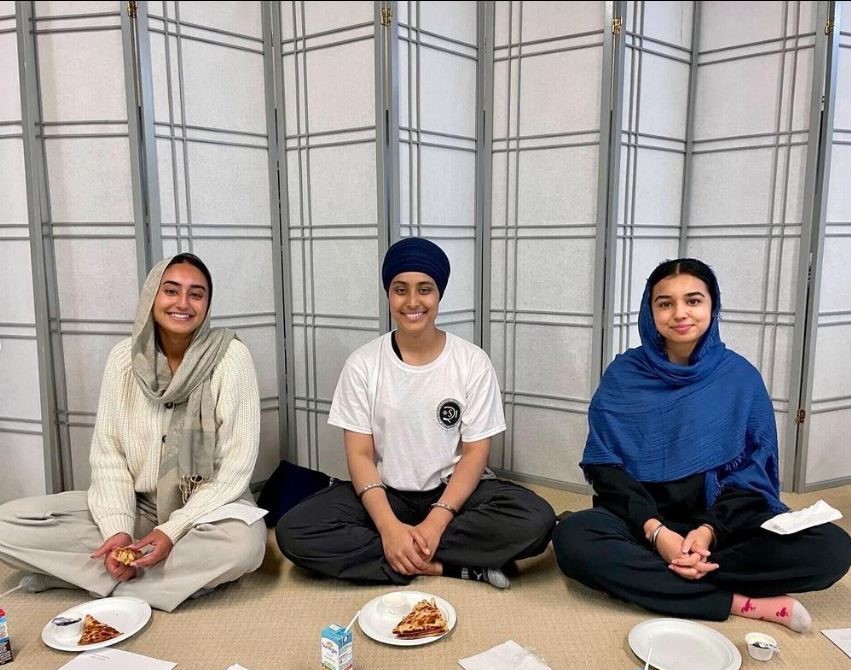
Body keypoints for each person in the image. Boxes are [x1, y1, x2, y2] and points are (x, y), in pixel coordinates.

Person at [553, 258, 851, 631]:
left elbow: (752, 474)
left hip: (722, 526)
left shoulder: (740, 377)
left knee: (831, 548)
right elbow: (605, 469)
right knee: (573, 538)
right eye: (665, 303)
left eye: (693, 301)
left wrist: (708, 531)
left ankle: (669, 577)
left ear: (712, 306)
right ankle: (740, 602)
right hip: (643, 523)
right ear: (650, 311)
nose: (680, 313)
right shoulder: (623, 375)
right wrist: (657, 532)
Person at [276, 237, 555, 588]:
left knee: (537, 519)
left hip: (453, 493)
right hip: (385, 493)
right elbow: (360, 455)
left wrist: (437, 520)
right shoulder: (363, 364)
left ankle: (404, 557)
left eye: (424, 289)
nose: (412, 302)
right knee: (294, 532)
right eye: (400, 290)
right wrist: (389, 527)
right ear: (388, 294)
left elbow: (475, 454)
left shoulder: (472, 362)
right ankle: (452, 566)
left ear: (439, 294)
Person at [0, 253, 266, 611]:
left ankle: (93, 580)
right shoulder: (123, 359)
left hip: (208, 508)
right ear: (151, 297)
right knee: (7, 525)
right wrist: (118, 530)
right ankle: (159, 580)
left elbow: (234, 469)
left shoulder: (230, 358)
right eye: (171, 291)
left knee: (244, 546)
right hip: (139, 507)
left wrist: (171, 531)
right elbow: (109, 457)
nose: (183, 303)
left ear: (207, 304)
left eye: (196, 294)